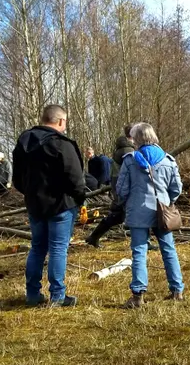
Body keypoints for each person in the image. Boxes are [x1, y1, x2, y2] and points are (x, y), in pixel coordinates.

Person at [13, 104, 86, 307]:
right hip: (61, 204)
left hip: (35, 205)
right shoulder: (61, 144)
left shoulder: (23, 142)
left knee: (37, 248)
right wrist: (79, 199)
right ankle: (57, 295)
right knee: (58, 248)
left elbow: (17, 179)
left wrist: (30, 194)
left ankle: (32, 293)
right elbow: (75, 178)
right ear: (61, 121)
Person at [116, 122, 185, 308]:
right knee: (168, 249)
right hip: (163, 212)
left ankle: (138, 296)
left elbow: (121, 189)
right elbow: (176, 188)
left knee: (139, 251)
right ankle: (177, 290)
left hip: (138, 212)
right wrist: (167, 202)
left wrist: (126, 202)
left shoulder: (130, 160)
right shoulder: (168, 160)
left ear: (136, 139)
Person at [84, 124, 135, 248]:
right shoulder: (127, 150)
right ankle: (143, 243)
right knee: (130, 214)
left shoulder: (124, 148)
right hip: (123, 188)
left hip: (120, 187)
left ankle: (93, 237)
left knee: (119, 215)